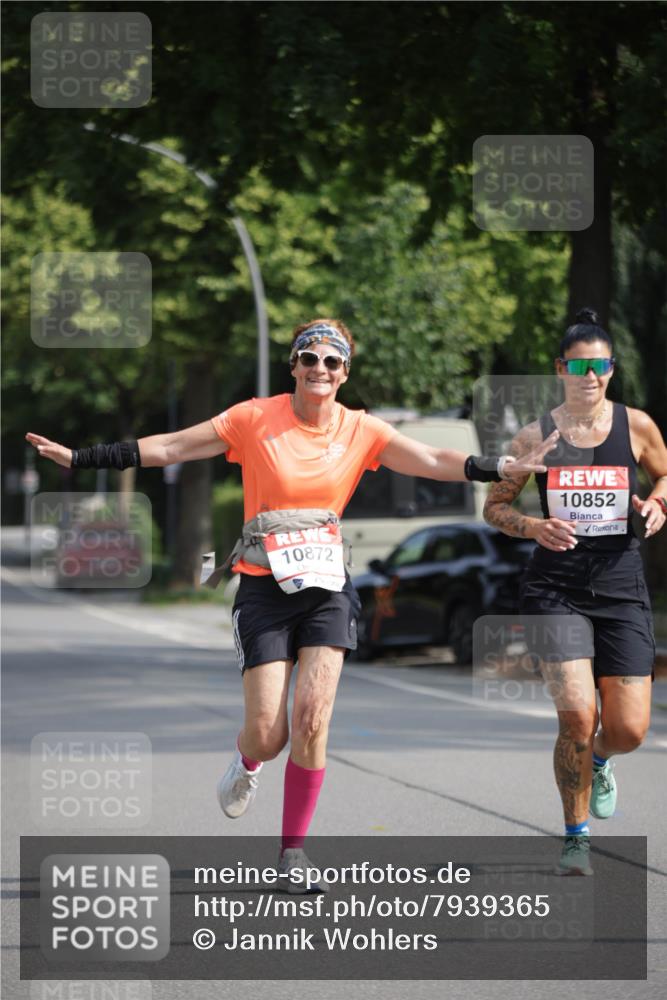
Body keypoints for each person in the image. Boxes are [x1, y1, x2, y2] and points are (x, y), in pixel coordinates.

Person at [27, 317, 555, 890]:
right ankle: (248, 759)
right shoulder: (254, 418)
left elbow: (431, 459)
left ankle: (292, 853)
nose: (320, 370)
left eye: (332, 362)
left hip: (327, 587)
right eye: (310, 359)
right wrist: (84, 459)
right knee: (268, 733)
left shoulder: (362, 431)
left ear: (345, 372)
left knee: (311, 720)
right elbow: (174, 446)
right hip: (262, 586)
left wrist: (500, 467)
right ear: (295, 367)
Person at [483, 308, 667, 875]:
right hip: (554, 587)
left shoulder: (636, 426)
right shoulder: (535, 435)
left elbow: (665, 473)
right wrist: (535, 526)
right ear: (561, 369)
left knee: (629, 728)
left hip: (619, 584)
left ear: (612, 369)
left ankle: (604, 759)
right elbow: (494, 505)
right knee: (576, 715)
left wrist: (657, 502)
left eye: (601, 365)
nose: (590, 375)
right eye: (580, 365)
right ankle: (576, 837)